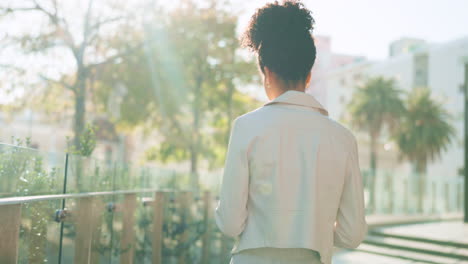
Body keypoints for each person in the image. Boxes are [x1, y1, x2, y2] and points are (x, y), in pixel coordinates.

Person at [214, 1, 367, 264]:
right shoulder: (342, 138)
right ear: (308, 76)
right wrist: (312, 232)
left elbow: (230, 223)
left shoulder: (247, 127)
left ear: (267, 73)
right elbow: (352, 234)